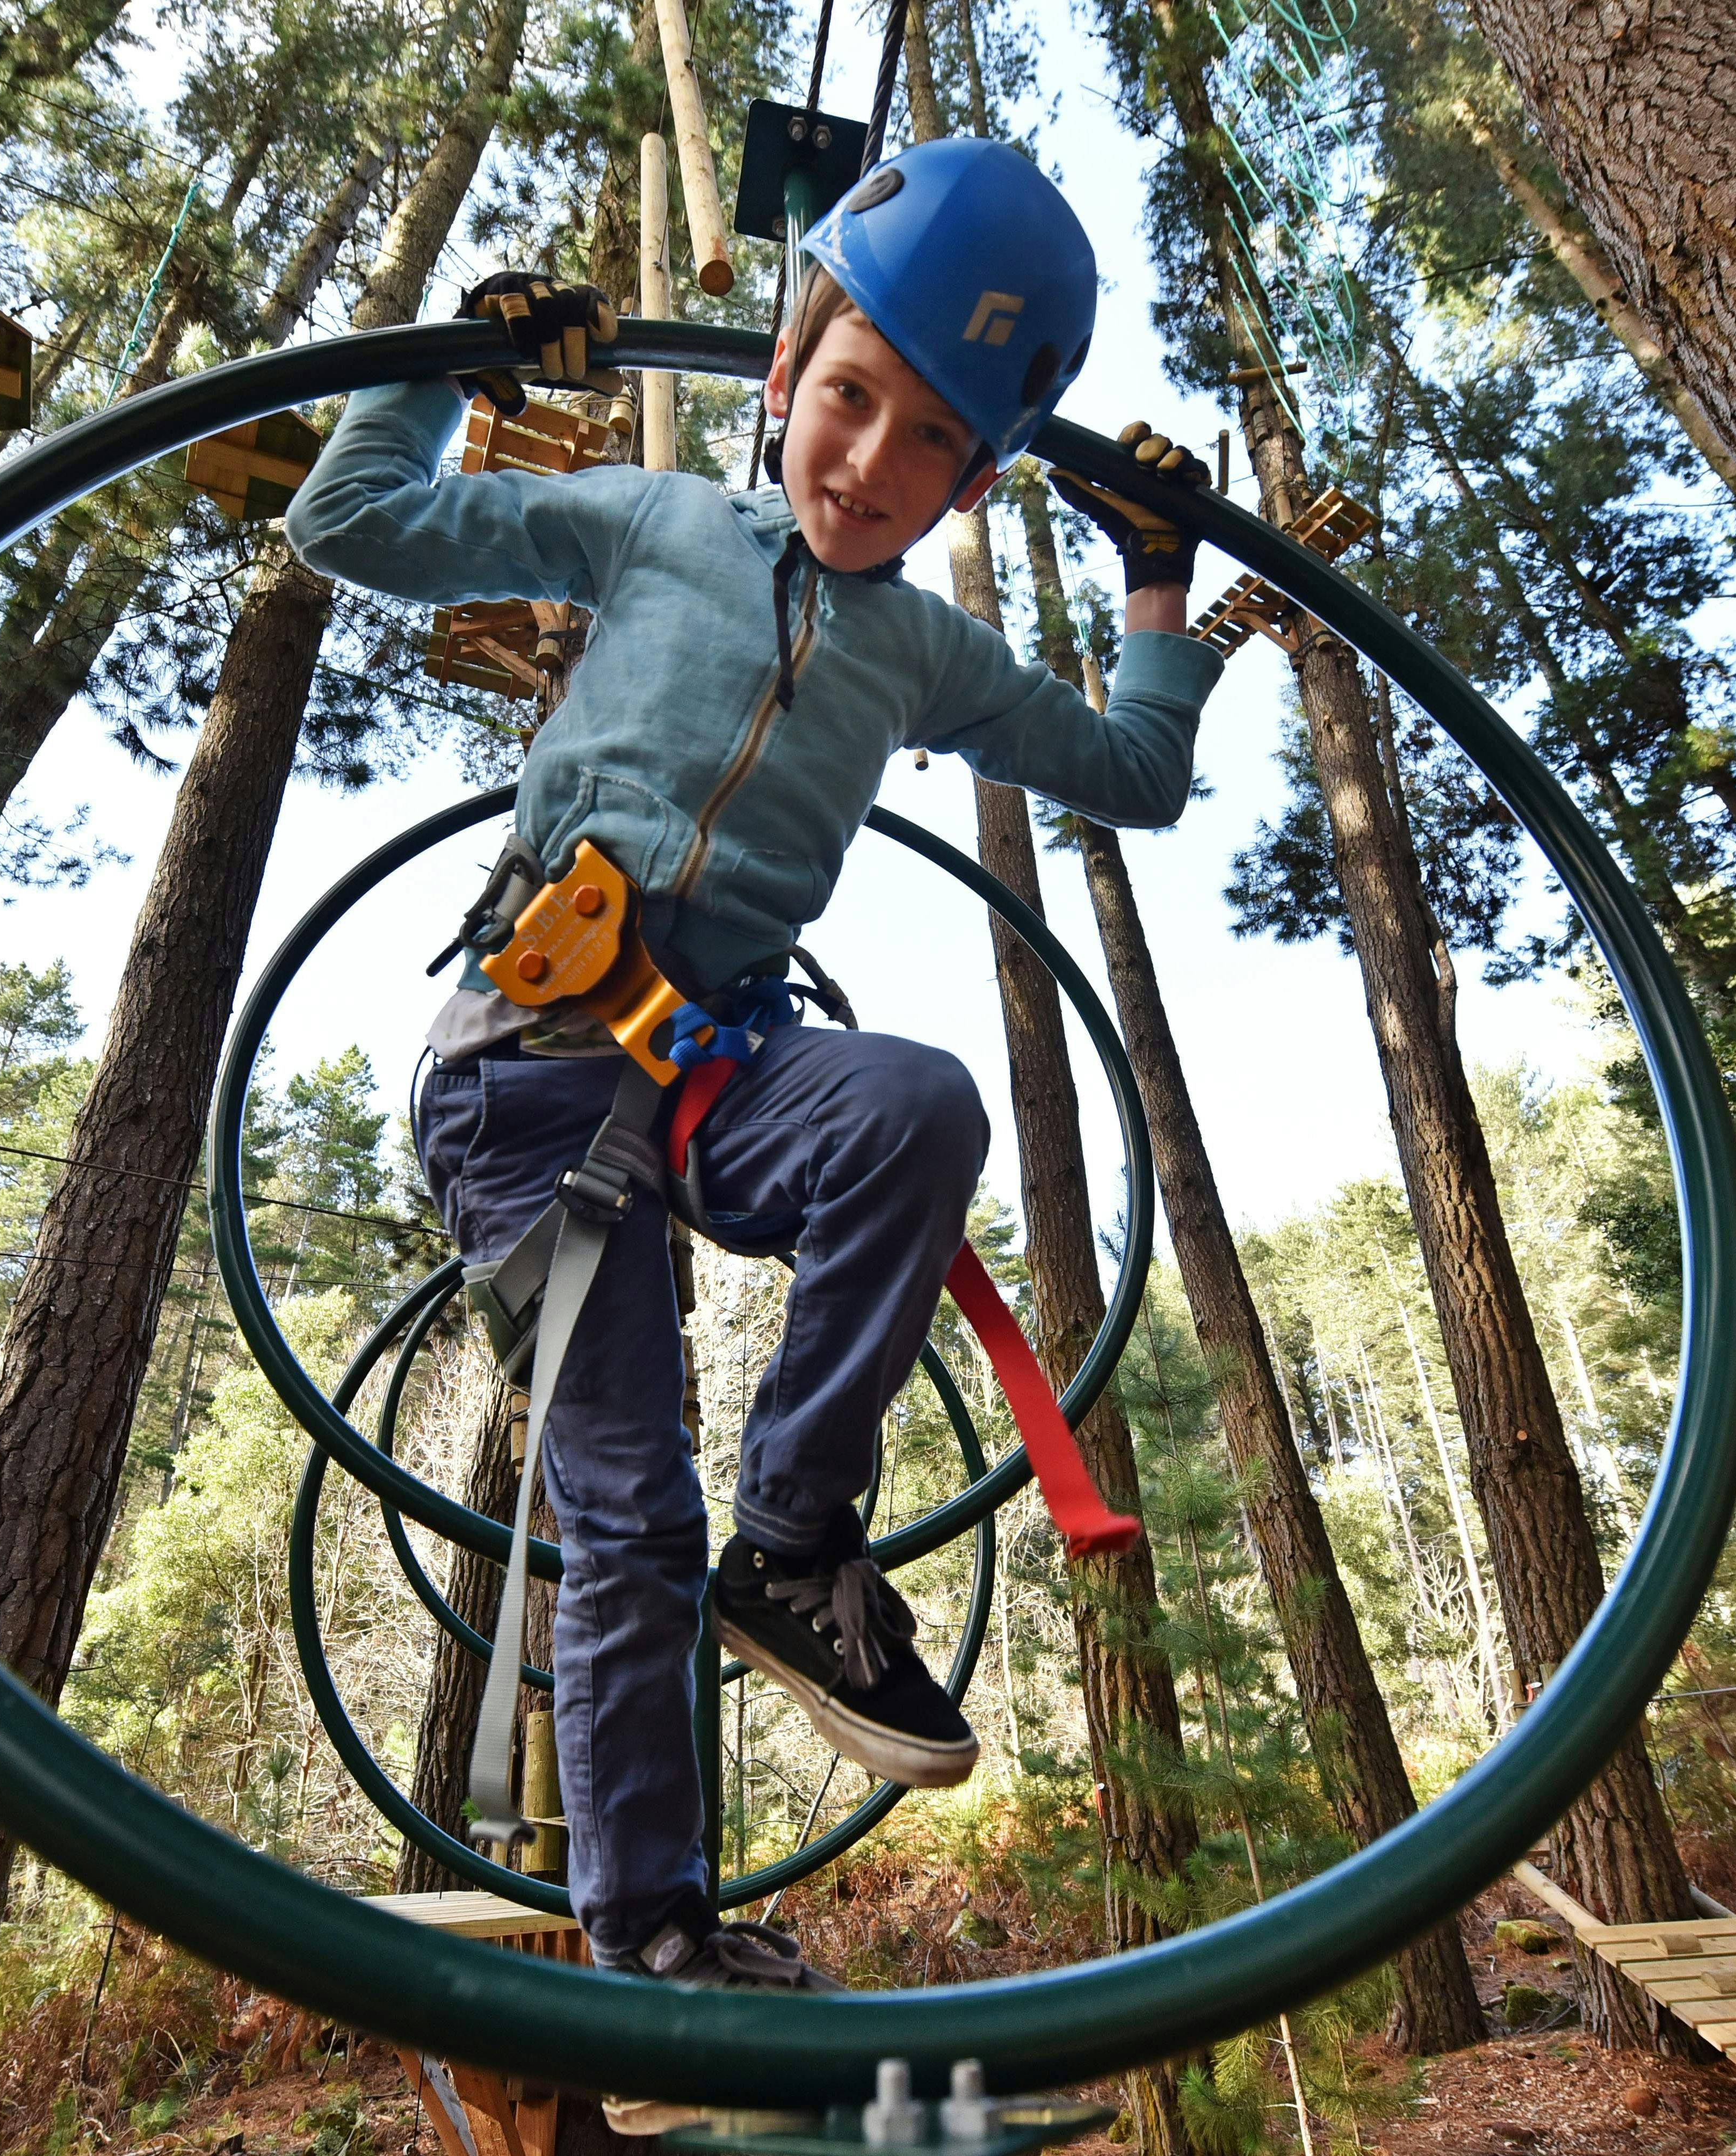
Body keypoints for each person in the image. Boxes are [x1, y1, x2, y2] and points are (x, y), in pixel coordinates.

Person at [286, 136, 1223, 1994]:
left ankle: (799, 1547)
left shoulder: (922, 651)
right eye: (853, 400)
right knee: (624, 1506)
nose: (872, 467)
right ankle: (649, 1938)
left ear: (973, 481)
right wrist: (437, 370)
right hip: (531, 1071)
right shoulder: (647, 523)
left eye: (933, 445)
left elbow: (1135, 776)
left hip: (721, 1079)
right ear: (785, 380)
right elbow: (354, 525)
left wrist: (1155, 597)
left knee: (920, 1101)